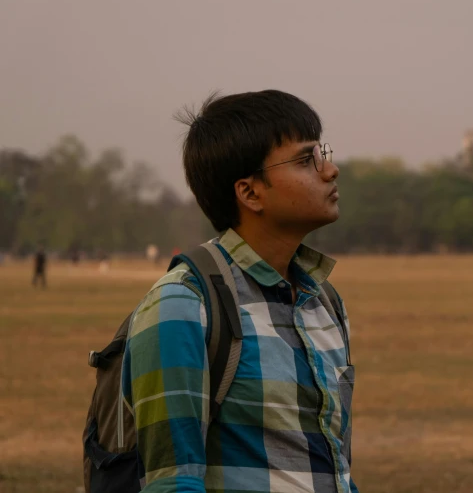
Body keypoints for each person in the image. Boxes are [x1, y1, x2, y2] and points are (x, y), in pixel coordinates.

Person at [121, 91, 357, 493]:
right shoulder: (184, 305)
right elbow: (172, 483)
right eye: (306, 160)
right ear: (249, 193)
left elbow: (335, 469)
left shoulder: (323, 301)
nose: (330, 170)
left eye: (323, 153)